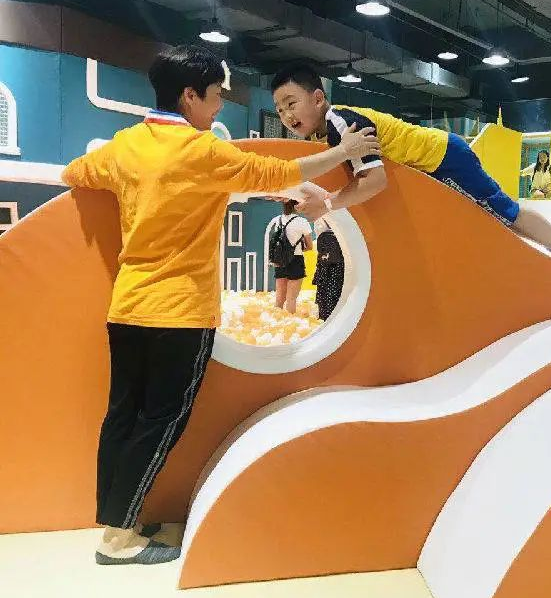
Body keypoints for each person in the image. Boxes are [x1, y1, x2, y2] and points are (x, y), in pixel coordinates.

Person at [60, 45, 378, 566]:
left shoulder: (127, 145)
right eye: (215, 96)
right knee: (161, 420)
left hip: (129, 307)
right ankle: (118, 540)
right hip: (180, 312)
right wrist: (343, 151)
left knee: (122, 415)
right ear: (189, 96)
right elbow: (277, 173)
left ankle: (119, 519)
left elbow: (75, 172)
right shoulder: (203, 151)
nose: (220, 106)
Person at [271, 64, 551, 271]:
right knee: (494, 221)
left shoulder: (341, 122)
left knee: (504, 213)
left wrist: (327, 203)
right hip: (432, 165)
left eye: (291, 103)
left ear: (318, 98)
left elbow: (375, 180)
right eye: (280, 109)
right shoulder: (320, 136)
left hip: (443, 159)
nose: (286, 115)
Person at [270, 201, 313, 313]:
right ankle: (289, 320)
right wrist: (298, 248)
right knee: (291, 299)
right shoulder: (302, 221)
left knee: (279, 299)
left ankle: (277, 321)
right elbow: (309, 246)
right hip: (296, 260)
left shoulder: (278, 220)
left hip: (280, 260)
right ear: (297, 206)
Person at [312, 218, 344, 320]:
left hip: (324, 265)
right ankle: (334, 317)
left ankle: (324, 316)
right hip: (338, 265)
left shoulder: (319, 220)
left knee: (323, 292)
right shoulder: (340, 218)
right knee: (336, 292)